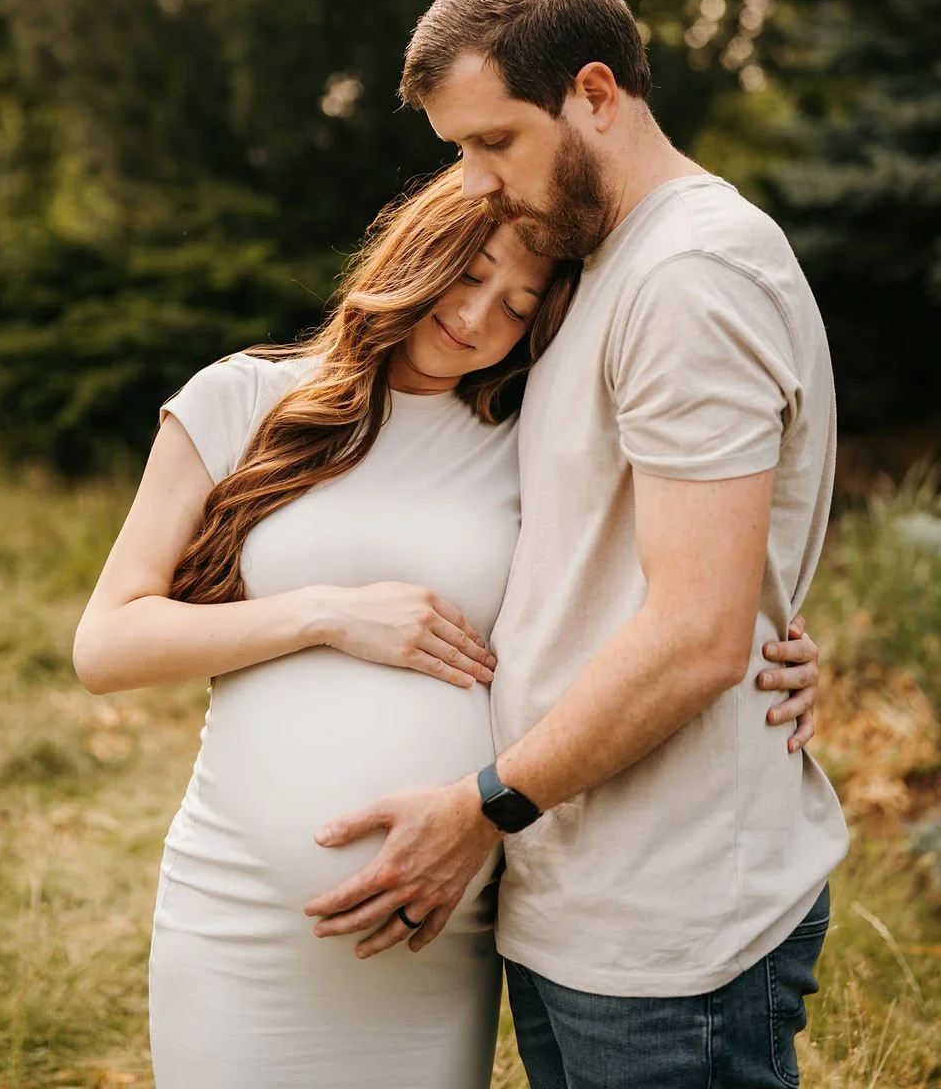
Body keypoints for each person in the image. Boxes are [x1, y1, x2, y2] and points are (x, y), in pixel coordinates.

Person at [72, 166, 819, 1089]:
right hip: (238, 914)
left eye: (516, 306)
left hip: (438, 927)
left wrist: (770, 652)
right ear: (420, 249)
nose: (476, 319)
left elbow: (671, 592)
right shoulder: (243, 399)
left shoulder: (527, 443)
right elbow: (106, 644)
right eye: (470, 274)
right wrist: (328, 613)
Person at [303, 0, 849, 1089]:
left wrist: (481, 808)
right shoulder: (600, 267)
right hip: (584, 897)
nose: (476, 182)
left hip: (674, 927)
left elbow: (696, 631)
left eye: (494, 141)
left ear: (594, 94)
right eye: (458, 150)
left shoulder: (691, 275)